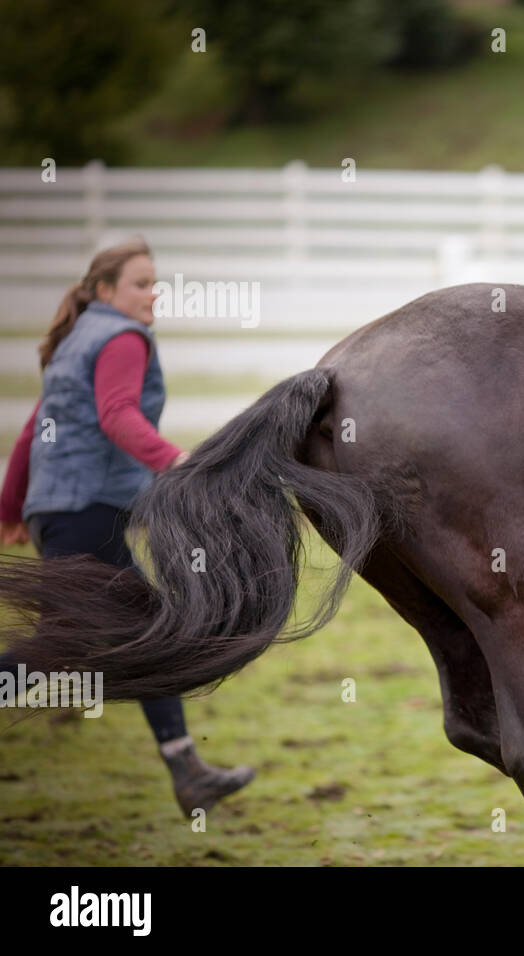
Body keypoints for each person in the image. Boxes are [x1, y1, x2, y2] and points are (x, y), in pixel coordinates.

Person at [0, 237, 255, 818]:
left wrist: (14, 507)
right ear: (105, 291)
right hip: (90, 510)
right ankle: (187, 769)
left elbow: (32, 430)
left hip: (63, 510)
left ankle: (187, 769)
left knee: (136, 634)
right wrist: (178, 461)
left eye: (155, 282)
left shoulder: (74, 341)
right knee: (82, 645)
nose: (152, 293)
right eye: (140, 283)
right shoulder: (120, 337)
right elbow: (118, 416)